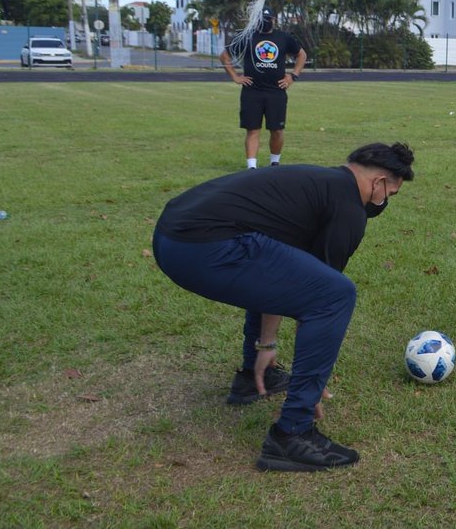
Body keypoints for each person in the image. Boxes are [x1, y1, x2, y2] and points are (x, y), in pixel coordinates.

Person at [152, 142, 414, 471]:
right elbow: (319, 297)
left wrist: (267, 345)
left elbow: (281, 276)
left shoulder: (318, 183)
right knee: (337, 294)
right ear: (379, 182)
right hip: (200, 246)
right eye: (391, 193)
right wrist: (311, 384)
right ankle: (292, 434)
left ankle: (254, 376)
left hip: (170, 237)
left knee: (288, 272)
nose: (385, 201)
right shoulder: (348, 207)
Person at [220, 7, 307, 169]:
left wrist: (293, 76)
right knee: (252, 130)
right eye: (262, 20)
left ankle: (275, 163)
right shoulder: (246, 37)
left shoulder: (283, 38)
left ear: (274, 20)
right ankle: (251, 167)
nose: (265, 23)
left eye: (268, 19)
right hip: (252, 91)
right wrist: (235, 77)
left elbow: (302, 54)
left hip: (276, 92)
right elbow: (225, 56)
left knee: (277, 130)